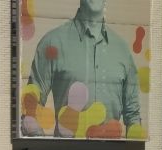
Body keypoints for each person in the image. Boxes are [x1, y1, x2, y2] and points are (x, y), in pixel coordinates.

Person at [24, 0, 141, 138]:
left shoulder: (122, 50)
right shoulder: (52, 42)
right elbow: (30, 107)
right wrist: (46, 148)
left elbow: (133, 115)